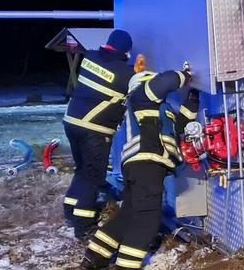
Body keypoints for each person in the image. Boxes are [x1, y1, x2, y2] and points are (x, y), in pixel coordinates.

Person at [81, 66, 199, 270]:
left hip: (139, 167)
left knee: (129, 214)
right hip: (147, 164)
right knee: (147, 219)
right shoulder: (140, 96)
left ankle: (94, 258)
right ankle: (126, 266)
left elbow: (179, 126)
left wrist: (192, 100)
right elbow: (166, 81)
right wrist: (187, 75)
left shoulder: (155, 109)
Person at [63, 29, 135, 240]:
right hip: (93, 130)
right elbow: (131, 80)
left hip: (71, 122)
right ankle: (83, 227)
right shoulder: (125, 74)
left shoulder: (90, 57)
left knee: (83, 171)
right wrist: (138, 70)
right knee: (93, 177)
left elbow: (111, 67)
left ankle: (70, 211)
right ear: (126, 51)